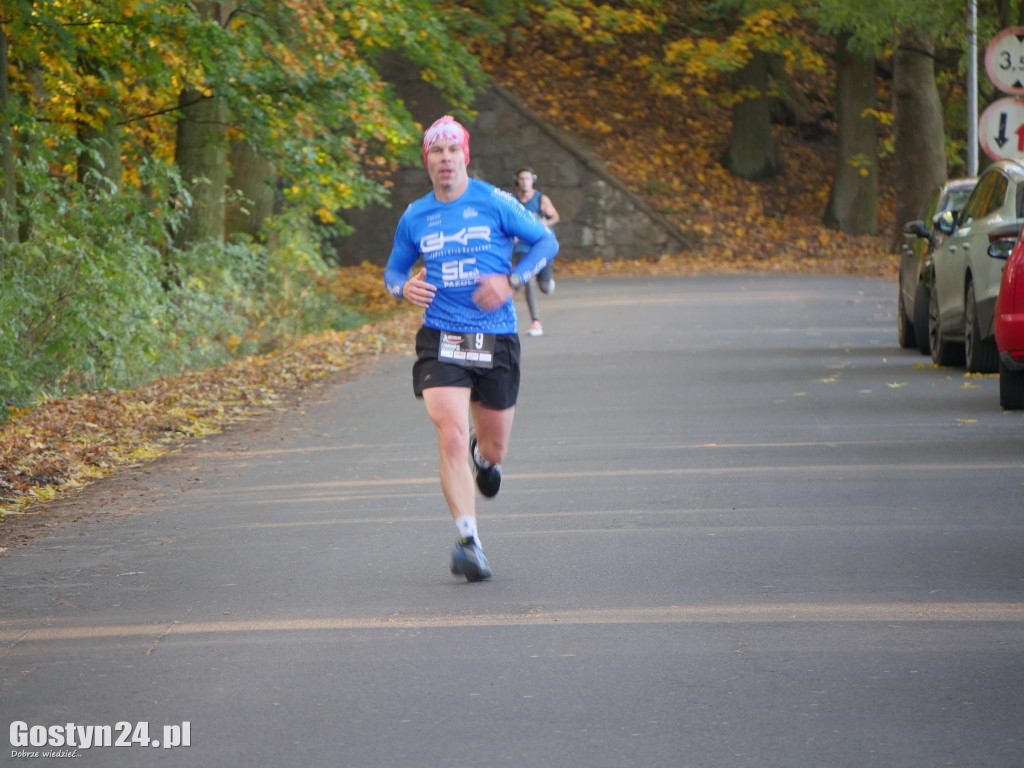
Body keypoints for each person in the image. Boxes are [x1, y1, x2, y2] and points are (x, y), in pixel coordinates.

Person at [384, 116, 559, 581]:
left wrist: (512, 279)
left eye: (452, 151)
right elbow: (394, 273)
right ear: (427, 161)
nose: (445, 159)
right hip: (442, 334)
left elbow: (547, 241)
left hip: (496, 335)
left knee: (493, 447)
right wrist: (405, 291)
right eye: (436, 152)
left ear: (465, 155)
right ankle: (468, 541)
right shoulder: (415, 215)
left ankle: (485, 461)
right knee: (452, 434)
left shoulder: (495, 201)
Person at [512, 166, 560, 337]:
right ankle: (535, 322)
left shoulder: (541, 199)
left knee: (545, 288)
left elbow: (555, 217)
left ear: (533, 180)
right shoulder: (512, 201)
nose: (525, 181)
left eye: (528, 178)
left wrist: (543, 224)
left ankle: (547, 282)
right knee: (528, 279)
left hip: (542, 245)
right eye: (522, 178)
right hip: (523, 246)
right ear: (517, 181)